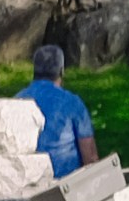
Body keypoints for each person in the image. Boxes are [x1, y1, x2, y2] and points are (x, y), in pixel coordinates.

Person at [20, 41, 102, 176]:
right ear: (61, 71)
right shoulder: (72, 103)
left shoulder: (17, 101)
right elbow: (90, 157)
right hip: (65, 185)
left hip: (25, 181)